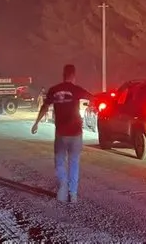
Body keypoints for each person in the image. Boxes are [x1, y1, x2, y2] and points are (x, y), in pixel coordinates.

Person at [31, 64, 92, 203]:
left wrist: (36, 123)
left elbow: (44, 107)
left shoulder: (54, 90)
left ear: (63, 74)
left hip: (61, 134)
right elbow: (91, 98)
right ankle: (73, 194)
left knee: (59, 162)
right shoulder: (77, 90)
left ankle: (62, 187)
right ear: (74, 75)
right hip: (76, 133)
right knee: (74, 162)